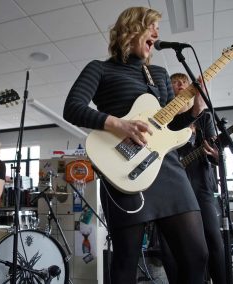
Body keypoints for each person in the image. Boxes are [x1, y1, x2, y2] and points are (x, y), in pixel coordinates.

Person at [63, 7, 209, 283]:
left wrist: (194, 113)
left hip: (167, 171)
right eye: (151, 27)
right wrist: (119, 124)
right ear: (131, 30)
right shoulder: (100, 69)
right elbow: (72, 108)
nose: (156, 33)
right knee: (125, 261)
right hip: (123, 166)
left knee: (196, 255)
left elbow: (169, 129)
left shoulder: (158, 73)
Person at [159, 73, 225, 283]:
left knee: (214, 239)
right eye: (175, 83)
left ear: (190, 88)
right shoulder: (163, 118)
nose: (179, 85)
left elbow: (215, 151)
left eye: (183, 82)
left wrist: (216, 155)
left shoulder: (204, 117)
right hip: (171, 188)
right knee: (171, 248)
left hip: (201, 185)